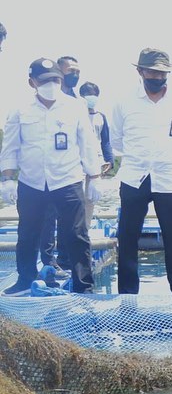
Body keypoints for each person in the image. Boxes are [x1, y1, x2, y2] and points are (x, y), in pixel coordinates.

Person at [0, 58, 103, 295]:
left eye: (56, 80)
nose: (52, 85)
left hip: (67, 180)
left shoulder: (75, 106)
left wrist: (95, 176)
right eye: (45, 81)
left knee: (77, 234)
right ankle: (25, 279)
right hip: (32, 182)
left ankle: (84, 286)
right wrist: (7, 179)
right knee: (27, 233)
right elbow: (11, 147)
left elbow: (87, 143)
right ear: (32, 82)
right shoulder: (20, 109)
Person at [111, 48, 172, 294]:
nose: (157, 77)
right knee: (127, 239)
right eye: (151, 72)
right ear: (140, 71)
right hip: (134, 178)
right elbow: (116, 141)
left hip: (169, 179)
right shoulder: (124, 102)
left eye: (162, 73)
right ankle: (127, 297)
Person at [39, 55, 83, 277]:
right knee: (47, 219)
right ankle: (49, 261)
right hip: (47, 174)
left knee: (72, 223)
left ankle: (67, 260)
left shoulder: (76, 101)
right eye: (70, 71)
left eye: (77, 70)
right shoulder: (44, 99)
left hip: (71, 172)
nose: (74, 74)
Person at [79, 81, 114, 224]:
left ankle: (85, 228)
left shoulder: (101, 117)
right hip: (78, 161)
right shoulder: (75, 114)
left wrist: (110, 160)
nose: (91, 97)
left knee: (91, 197)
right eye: (87, 95)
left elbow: (106, 140)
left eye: (94, 95)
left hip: (96, 161)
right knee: (76, 196)